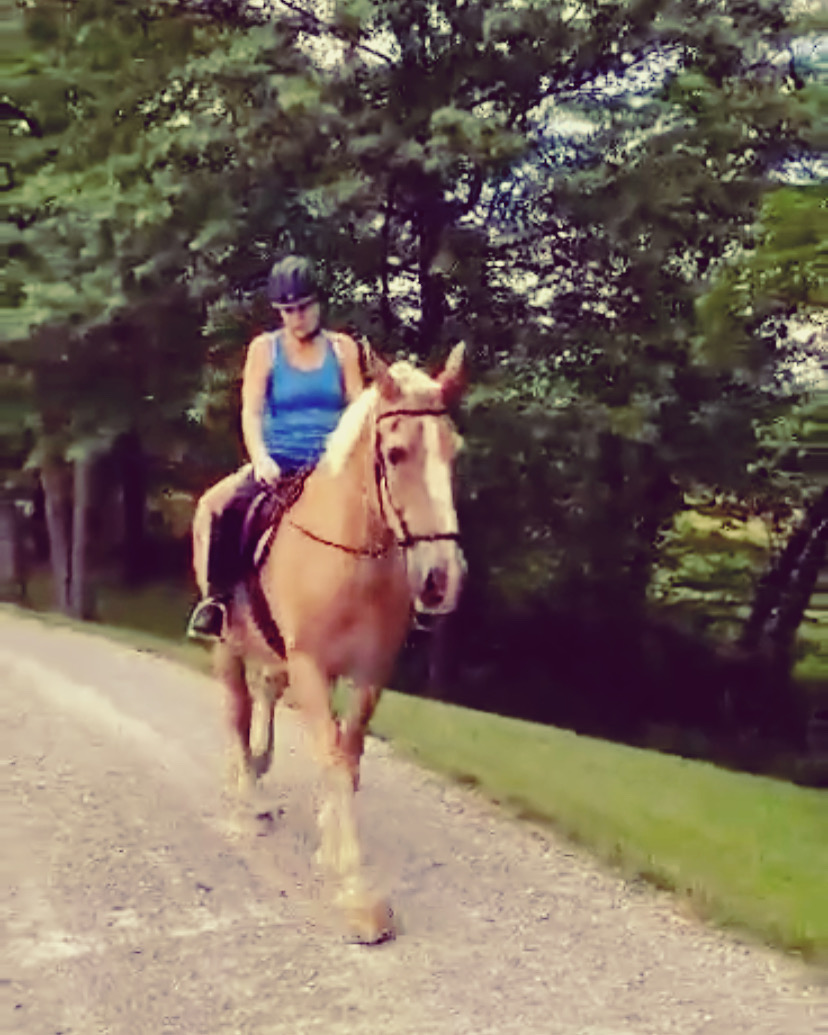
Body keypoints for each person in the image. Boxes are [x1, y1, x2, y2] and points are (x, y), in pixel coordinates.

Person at [187, 255, 365, 640]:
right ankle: (217, 602)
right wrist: (261, 459)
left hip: (331, 466)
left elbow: (359, 409)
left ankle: (404, 602)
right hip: (280, 461)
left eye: (303, 308)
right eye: (287, 310)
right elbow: (251, 413)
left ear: (317, 304)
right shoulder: (264, 350)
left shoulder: (343, 349)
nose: (296, 317)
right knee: (222, 508)